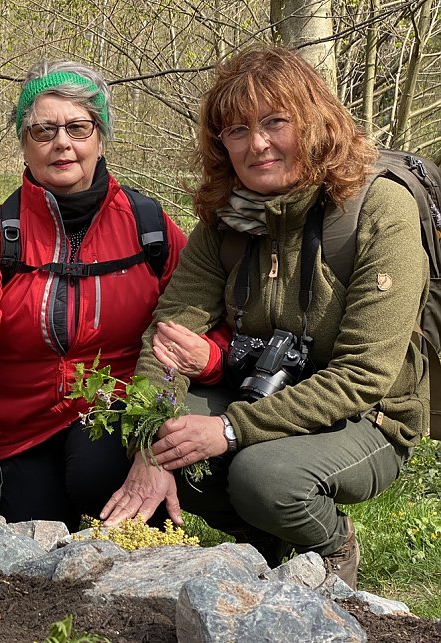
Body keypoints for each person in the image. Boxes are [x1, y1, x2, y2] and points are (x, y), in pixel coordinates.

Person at [102, 46, 428, 589]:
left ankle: (331, 542)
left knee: (265, 479)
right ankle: (263, 544)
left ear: (315, 122)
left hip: (367, 416)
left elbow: (364, 375)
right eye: (236, 130)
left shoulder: (378, 210)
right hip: (264, 390)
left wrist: (230, 429)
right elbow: (171, 332)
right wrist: (151, 444)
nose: (257, 144)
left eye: (276, 122)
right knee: (163, 434)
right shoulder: (227, 220)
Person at [0, 61, 226, 531]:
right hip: (23, 428)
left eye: (78, 126)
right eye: (43, 130)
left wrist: (211, 359)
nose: (62, 142)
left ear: (100, 136)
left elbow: (204, 317)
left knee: (96, 474)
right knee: (27, 555)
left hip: (114, 413)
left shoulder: (149, 227)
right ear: (24, 143)